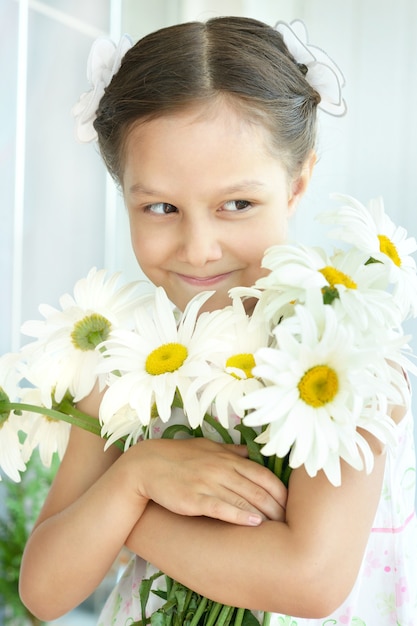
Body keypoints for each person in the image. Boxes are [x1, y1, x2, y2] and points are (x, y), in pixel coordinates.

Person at [18, 16, 417, 625]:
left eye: (236, 204)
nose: (199, 247)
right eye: (159, 207)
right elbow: (44, 592)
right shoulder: (121, 370)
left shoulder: (343, 360)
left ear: (298, 182)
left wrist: (131, 509)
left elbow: (310, 580)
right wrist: (138, 475)